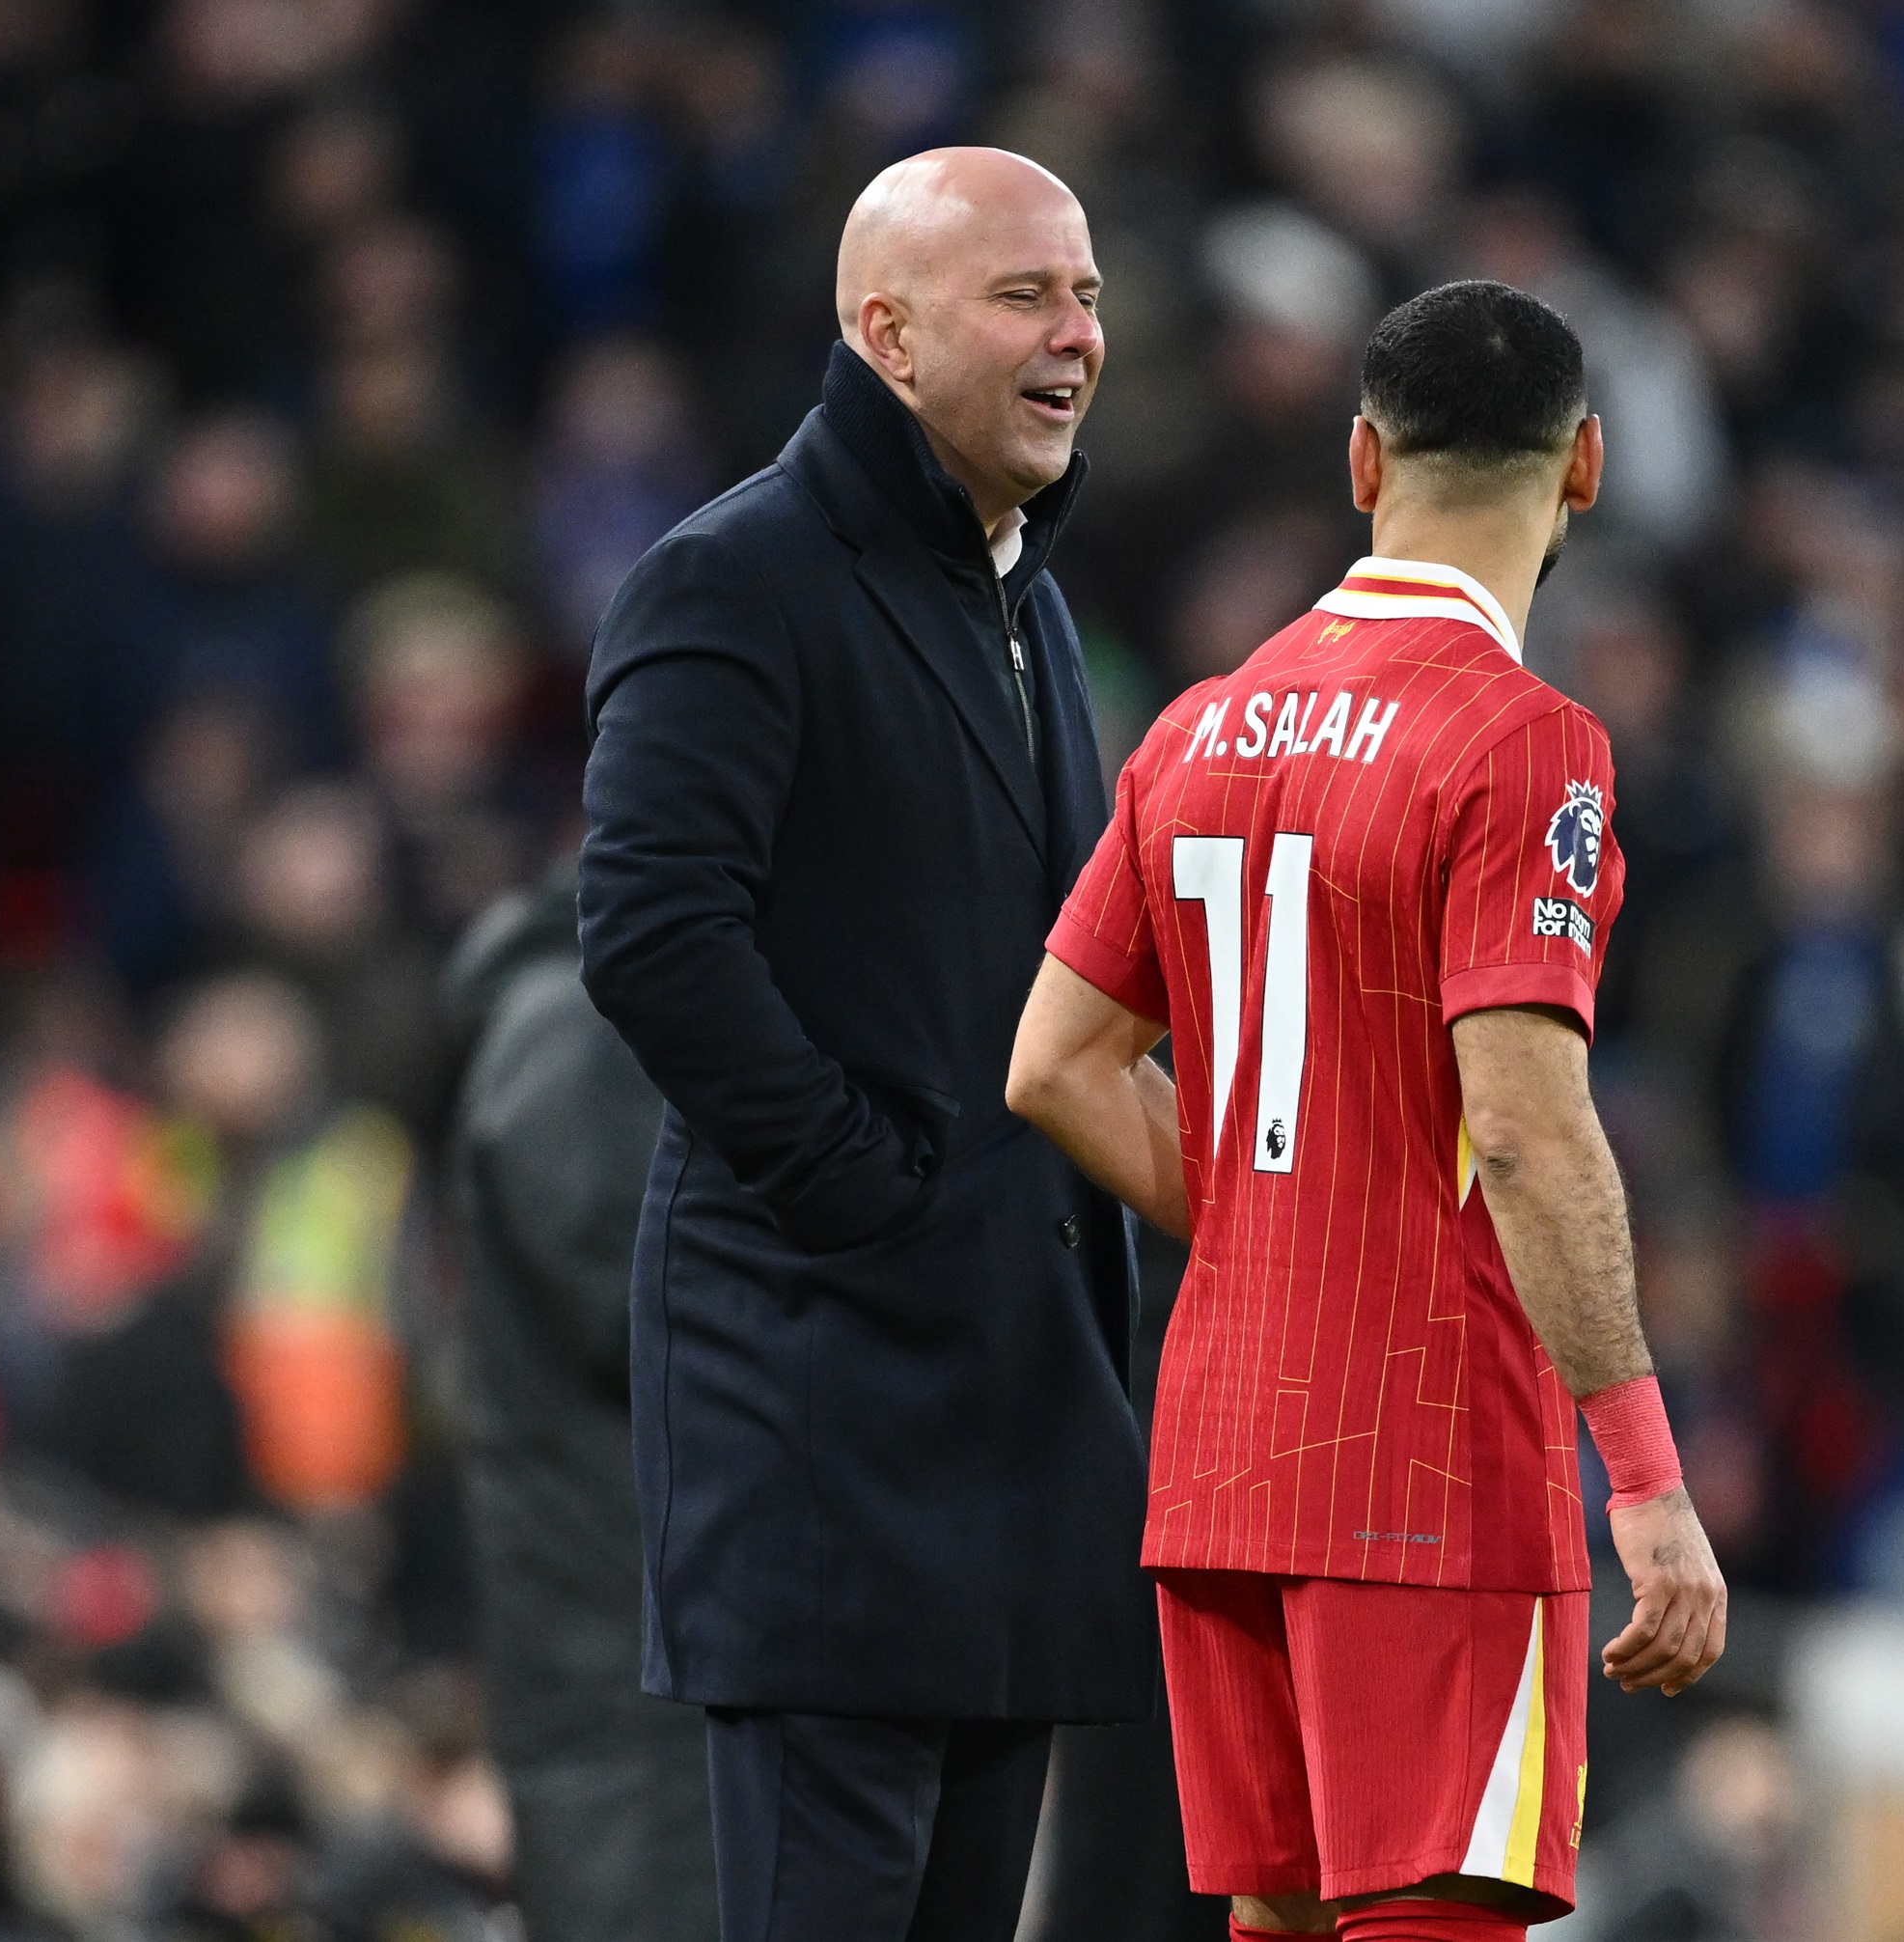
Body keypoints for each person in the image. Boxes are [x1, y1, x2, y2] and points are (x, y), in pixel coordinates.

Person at [1007, 282, 1726, 1942]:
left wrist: (1264, 1224)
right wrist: (1645, 1476)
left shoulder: (1201, 724)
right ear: (1586, 468)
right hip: (1425, 1453)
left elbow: (1051, 1059)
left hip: (1217, 1457)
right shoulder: (1520, 742)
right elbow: (1529, 1124)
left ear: (1358, 459)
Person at [575, 149, 1150, 1942]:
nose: (1077, 337)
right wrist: (864, 1193)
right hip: (827, 1399)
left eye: (1088, 296)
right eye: (1024, 297)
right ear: (884, 334)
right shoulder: (733, 574)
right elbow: (655, 933)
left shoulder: (1026, 597)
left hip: (1005, 1412)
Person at [443, 863, 717, 1942]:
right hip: (626, 1673)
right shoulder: (573, 1028)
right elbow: (640, 1310)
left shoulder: (574, 1018)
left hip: (628, 1654)